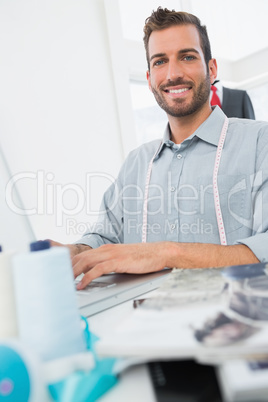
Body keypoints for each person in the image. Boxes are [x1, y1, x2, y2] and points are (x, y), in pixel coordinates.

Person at [51, 7, 268, 289]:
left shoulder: (259, 142)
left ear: (211, 69)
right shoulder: (136, 164)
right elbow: (105, 237)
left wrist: (168, 254)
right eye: (160, 62)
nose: (173, 74)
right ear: (150, 77)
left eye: (187, 57)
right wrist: (74, 252)